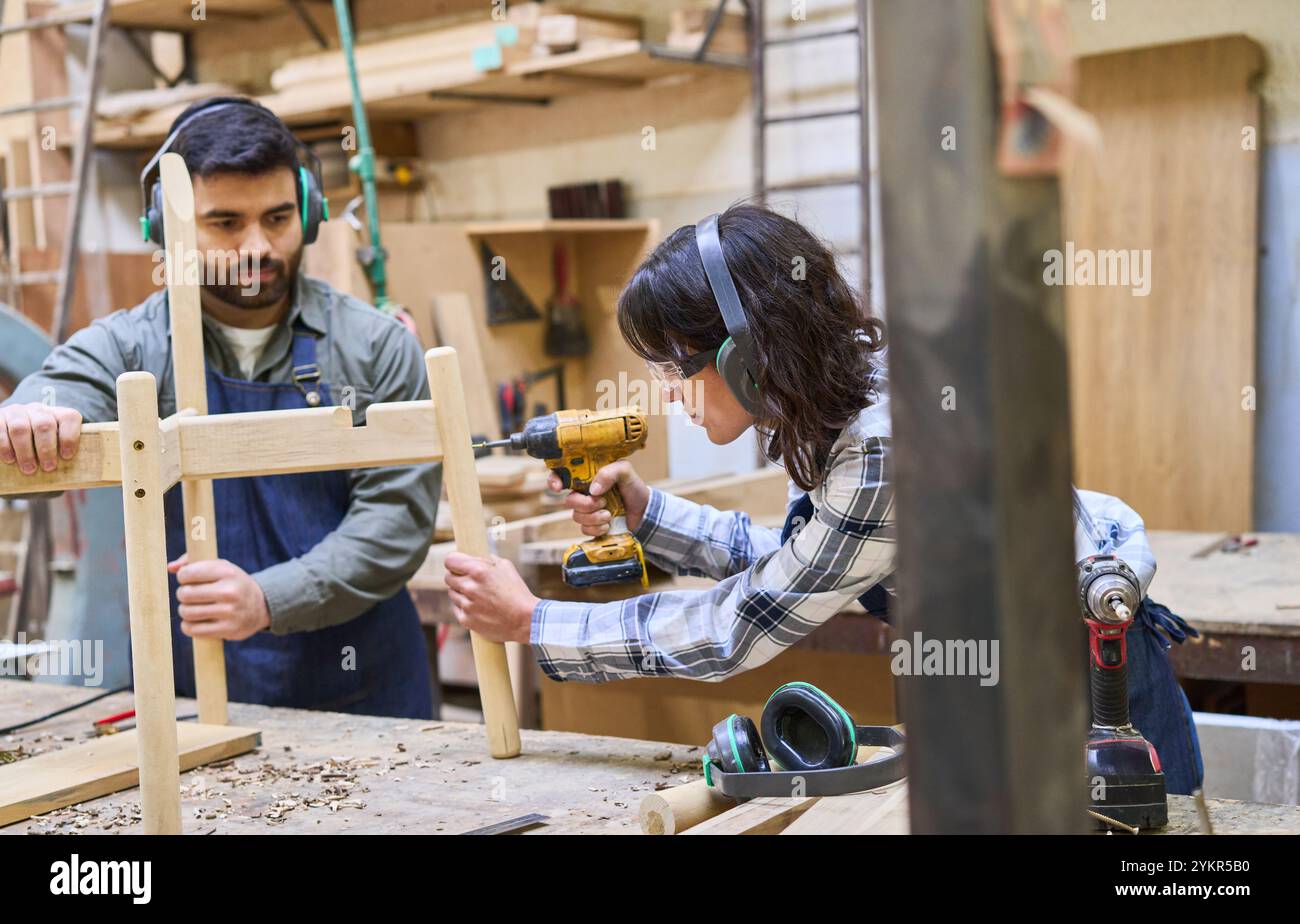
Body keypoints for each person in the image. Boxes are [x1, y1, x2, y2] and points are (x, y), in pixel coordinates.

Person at [443, 203, 1204, 793]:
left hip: (1086, 692)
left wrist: (535, 621)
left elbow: (739, 627)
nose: (670, 394)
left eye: (677, 368)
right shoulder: (840, 404)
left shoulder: (883, 450)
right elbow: (803, 564)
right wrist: (649, 516)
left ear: (748, 355)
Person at [0, 97, 439, 718]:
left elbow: (395, 521)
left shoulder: (377, 347)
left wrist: (268, 598)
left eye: (278, 217)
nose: (257, 246)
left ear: (310, 214)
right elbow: (58, 386)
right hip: (202, 695)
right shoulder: (132, 347)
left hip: (366, 695)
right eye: (226, 223)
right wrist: (33, 418)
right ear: (165, 228)